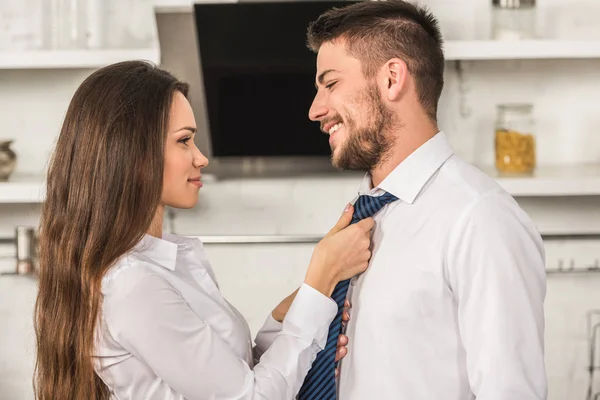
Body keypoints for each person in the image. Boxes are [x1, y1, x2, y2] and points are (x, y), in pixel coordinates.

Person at [33, 60, 376, 400]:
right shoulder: (133, 284)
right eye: (184, 141)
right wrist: (319, 282)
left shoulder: (161, 265)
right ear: (134, 154)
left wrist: (288, 314)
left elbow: (235, 375)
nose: (201, 158)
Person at [302, 1, 548, 399]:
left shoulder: (480, 219)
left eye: (330, 84)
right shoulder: (362, 214)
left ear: (392, 78)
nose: (316, 110)